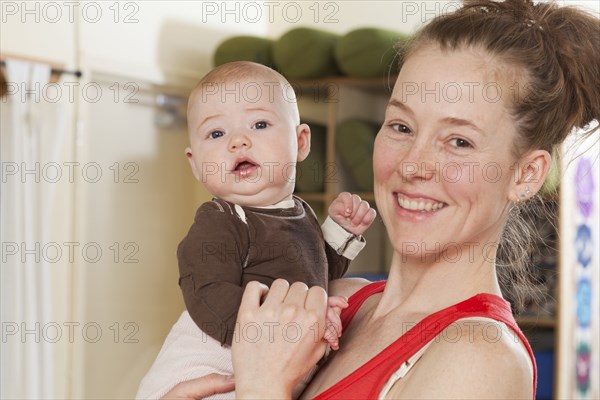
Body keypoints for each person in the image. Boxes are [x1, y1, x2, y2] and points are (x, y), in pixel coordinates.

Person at [163, 0, 600, 398]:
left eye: (460, 141)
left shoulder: (477, 359)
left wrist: (262, 388)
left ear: (526, 174)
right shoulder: (338, 298)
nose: (413, 165)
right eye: (402, 127)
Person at [136, 61, 377, 399]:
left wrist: (339, 232)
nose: (238, 141)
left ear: (301, 141)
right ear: (195, 162)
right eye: (216, 134)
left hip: (265, 369)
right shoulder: (221, 218)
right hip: (211, 367)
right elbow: (206, 292)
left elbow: (316, 275)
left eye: (259, 124)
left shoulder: (301, 214)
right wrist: (285, 328)